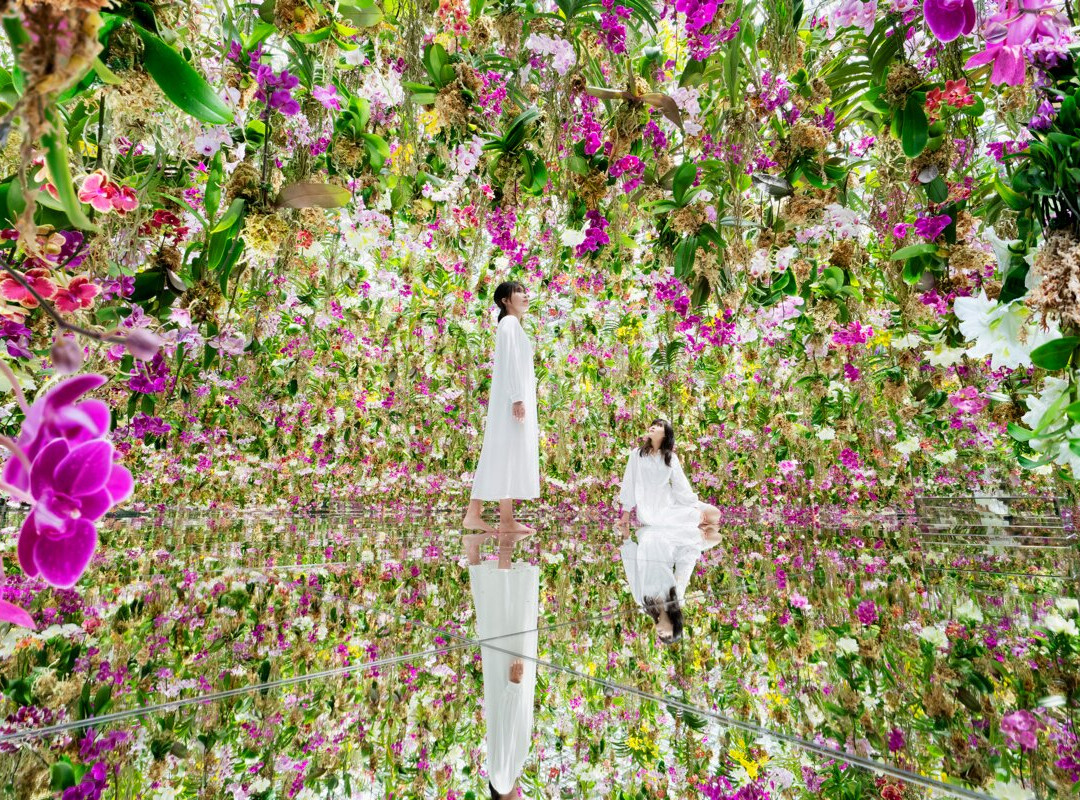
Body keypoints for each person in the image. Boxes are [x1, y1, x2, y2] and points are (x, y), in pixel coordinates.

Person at [463, 281, 540, 534]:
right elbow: (510, 363)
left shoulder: (513, 325)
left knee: (506, 453)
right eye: (518, 291)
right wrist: (517, 398)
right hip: (511, 400)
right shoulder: (509, 324)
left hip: (512, 399)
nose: (525, 295)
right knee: (501, 451)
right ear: (506, 300)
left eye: (524, 291)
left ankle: (505, 519)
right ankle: (475, 513)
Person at [467, 531, 539, 799]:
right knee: (497, 619)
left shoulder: (503, 781)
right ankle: (474, 552)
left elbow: (506, 729)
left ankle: (503, 544)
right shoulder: (503, 778)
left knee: (507, 617)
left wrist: (513, 686)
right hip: (509, 685)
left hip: (510, 683)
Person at [620, 524, 722, 644]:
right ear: (674, 625)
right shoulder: (676, 598)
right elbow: (684, 566)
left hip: (645, 538)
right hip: (666, 539)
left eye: (662, 638)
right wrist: (695, 542)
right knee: (715, 534)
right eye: (668, 636)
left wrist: (627, 539)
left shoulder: (643, 602)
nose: (662, 636)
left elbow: (632, 571)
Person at [617, 419, 720, 533]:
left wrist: (693, 504)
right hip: (650, 511)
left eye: (658, 425)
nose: (653, 427)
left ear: (666, 434)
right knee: (696, 517)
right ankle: (698, 525)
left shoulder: (670, 457)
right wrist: (626, 513)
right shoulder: (637, 454)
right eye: (653, 425)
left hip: (670, 503)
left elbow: (680, 484)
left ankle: (699, 522)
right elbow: (629, 482)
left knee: (714, 513)